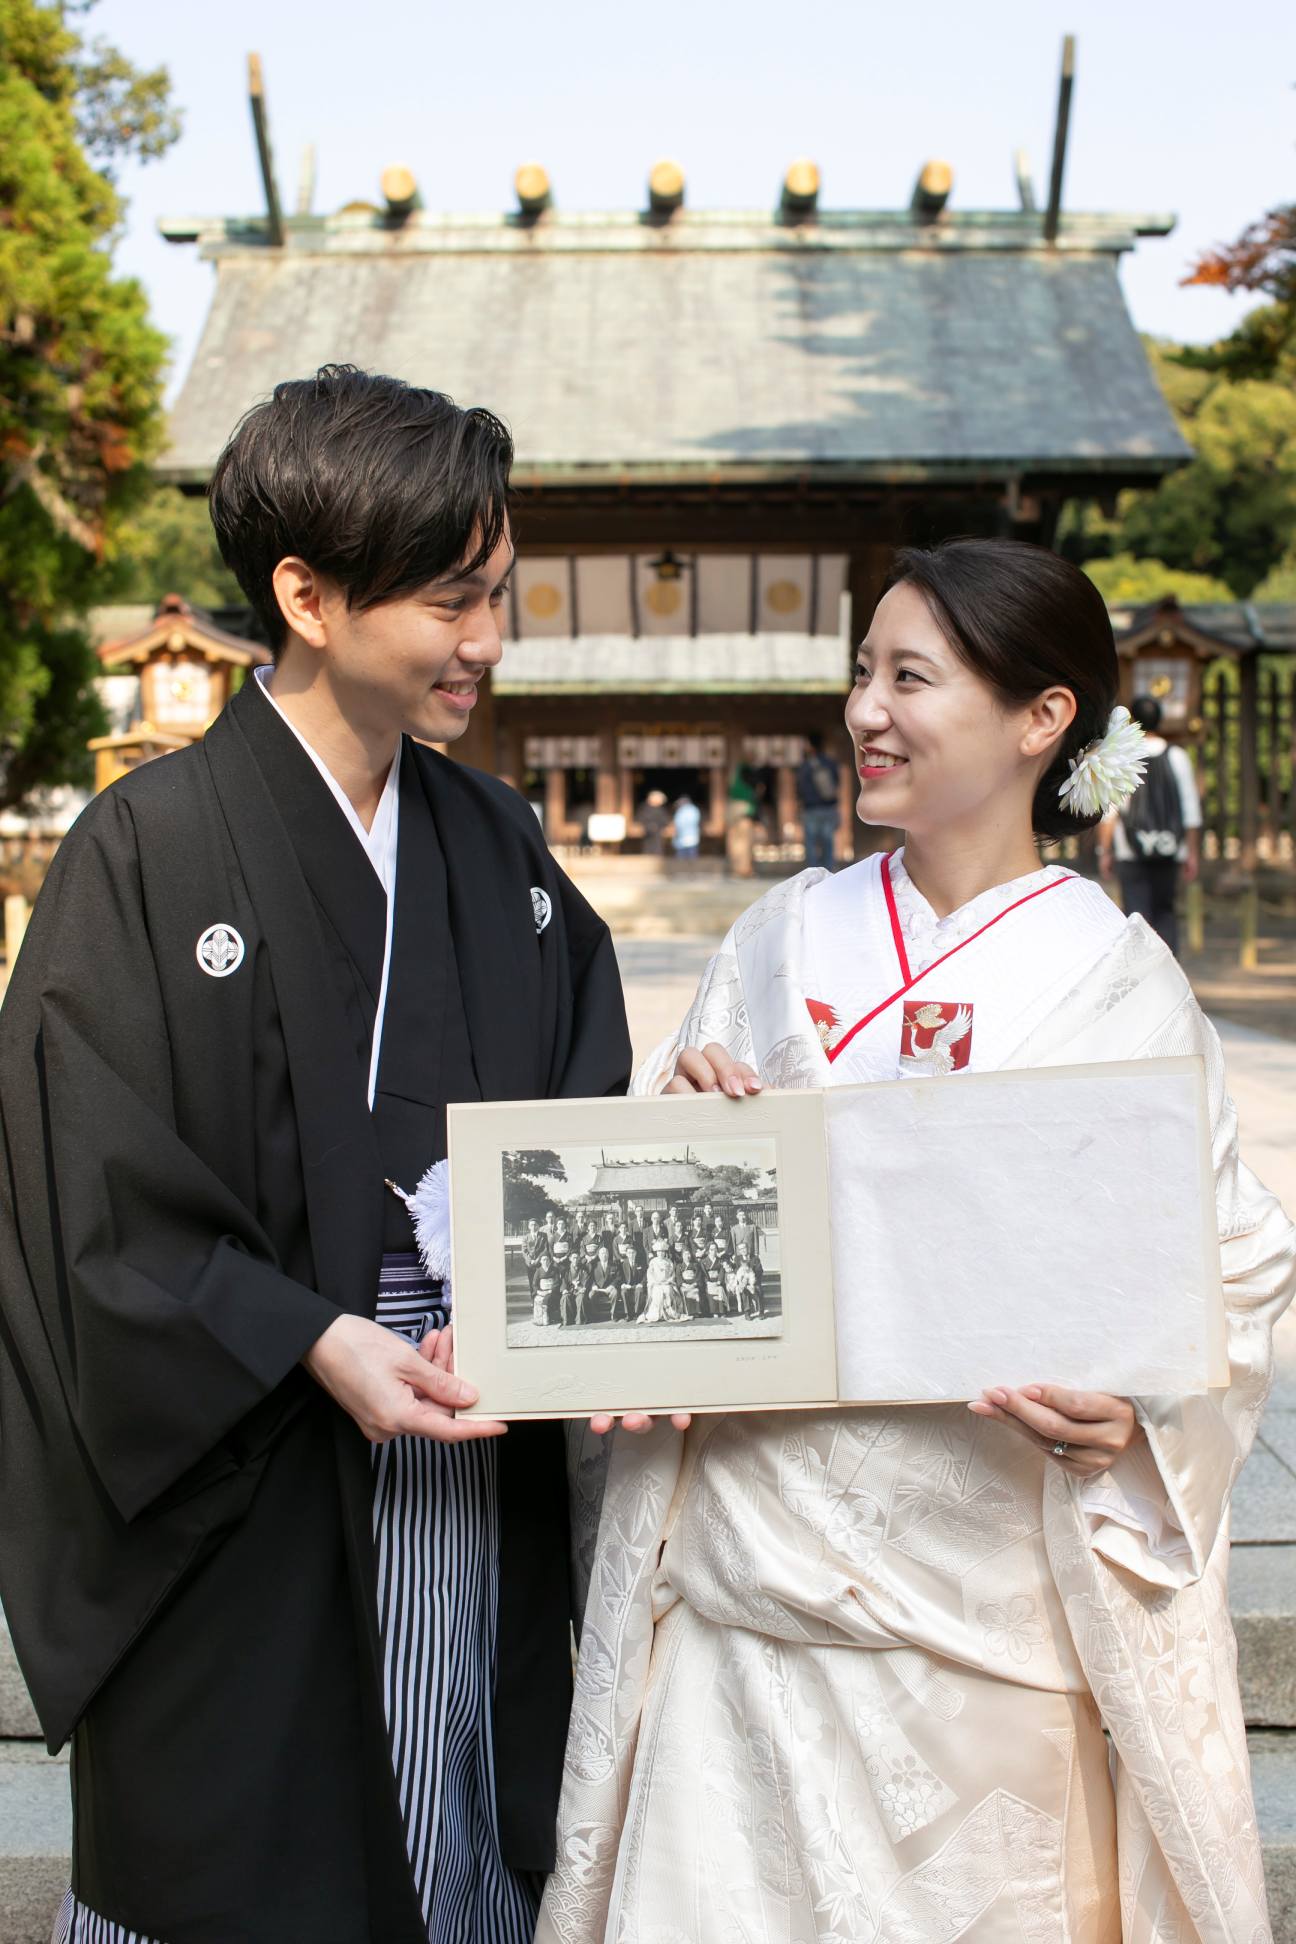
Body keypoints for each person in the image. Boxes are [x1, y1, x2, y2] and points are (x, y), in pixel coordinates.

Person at [539, 538, 1295, 1941]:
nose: (863, 712)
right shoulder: (777, 939)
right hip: (746, 1616)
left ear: (1040, 717)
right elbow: (664, 1250)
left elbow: (1238, 1267)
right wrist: (683, 1143)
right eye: (859, 674)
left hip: (986, 1632)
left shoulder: (1116, 982)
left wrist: (1136, 1416)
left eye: (909, 677)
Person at [0, 365, 637, 1944]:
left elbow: (581, 1109)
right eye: (449, 598)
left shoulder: (499, 850)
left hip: (466, 1440)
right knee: (252, 1867)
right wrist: (313, 1338)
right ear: (306, 595)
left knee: (457, 1850)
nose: (488, 637)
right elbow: (90, 1202)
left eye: (499, 592)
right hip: (256, 1459)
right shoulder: (143, 853)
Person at [1099, 693, 1202, 956]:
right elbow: (1189, 807)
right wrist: (1191, 851)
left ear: (1133, 719)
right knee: (1166, 912)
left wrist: (1106, 850)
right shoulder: (1177, 756)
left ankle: (1140, 979)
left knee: (1136, 916)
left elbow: (1111, 808)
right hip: (1170, 846)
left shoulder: (1124, 755)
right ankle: (1171, 975)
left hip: (1129, 849)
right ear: (1160, 719)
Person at [796, 728, 842, 871]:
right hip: (828, 807)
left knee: (811, 842)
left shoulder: (806, 765)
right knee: (828, 841)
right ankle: (828, 871)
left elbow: (800, 787)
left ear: (810, 745)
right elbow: (837, 782)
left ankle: (812, 873)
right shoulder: (830, 762)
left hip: (811, 808)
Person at [725, 763, 760, 877]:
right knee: (745, 842)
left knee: (734, 842)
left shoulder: (734, 786)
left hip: (732, 813)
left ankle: (735, 869)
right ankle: (745, 870)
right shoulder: (748, 789)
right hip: (744, 813)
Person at [639, 789, 670, 857]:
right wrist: (649, 825)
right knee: (648, 846)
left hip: (658, 832)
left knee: (657, 846)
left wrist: (661, 826)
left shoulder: (661, 810)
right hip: (648, 831)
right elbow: (641, 818)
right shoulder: (645, 808)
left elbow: (665, 820)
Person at [671, 792, 702, 860]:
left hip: (686, 837)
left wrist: (676, 830)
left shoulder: (688, 810)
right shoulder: (692, 810)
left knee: (687, 857)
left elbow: (679, 824)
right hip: (687, 838)